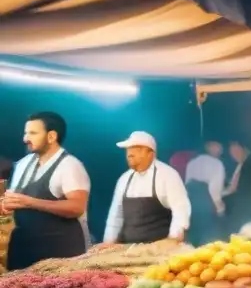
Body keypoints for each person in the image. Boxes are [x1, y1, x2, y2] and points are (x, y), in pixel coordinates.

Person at [2, 112, 90, 269]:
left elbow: (76, 208)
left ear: (51, 136)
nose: (25, 139)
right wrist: (5, 204)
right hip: (23, 251)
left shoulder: (70, 166)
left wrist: (31, 203)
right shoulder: (22, 164)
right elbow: (13, 199)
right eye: (25, 133)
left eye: (33, 133)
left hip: (60, 254)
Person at [104, 131, 191, 244]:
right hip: (127, 249)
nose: (130, 153)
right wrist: (109, 241)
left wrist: (174, 238)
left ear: (151, 154)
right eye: (128, 150)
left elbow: (181, 209)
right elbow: (116, 215)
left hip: (158, 250)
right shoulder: (124, 179)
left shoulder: (167, 175)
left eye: (137, 149)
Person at [184, 140, 227, 246]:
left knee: (194, 239)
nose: (219, 149)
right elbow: (215, 190)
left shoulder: (192, 162)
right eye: (216, 145)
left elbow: (187, 183)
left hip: (191, 203)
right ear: (207, 146)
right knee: (209, 241)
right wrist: (220, 209)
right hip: (206, 203)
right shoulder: (217, 163)